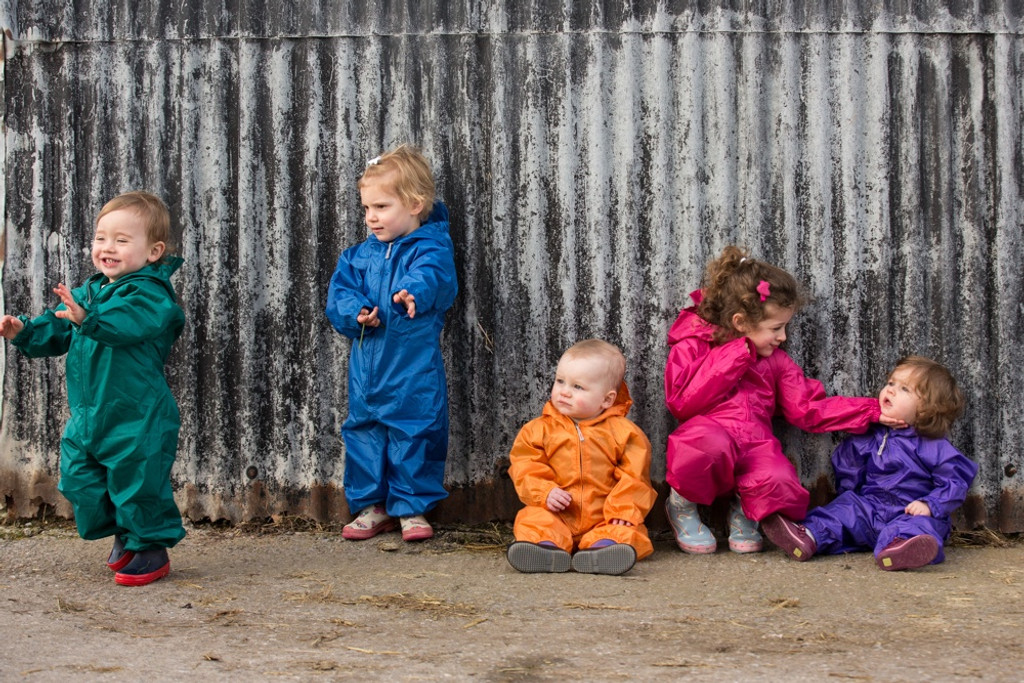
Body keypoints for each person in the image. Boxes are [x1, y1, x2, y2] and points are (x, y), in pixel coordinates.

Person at [663, 245, 902, 555]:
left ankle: (746, 509)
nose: (783, 337)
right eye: (776, 328)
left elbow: (808, 409)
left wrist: (870, 410)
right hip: (709, 442)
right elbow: (681, 402)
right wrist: (736, 355)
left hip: (754, 445)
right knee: (703, 444)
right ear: (740, 322)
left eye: (785, 327)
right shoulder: (692, 347)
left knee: (780, 479)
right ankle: (682, 506)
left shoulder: (776, 362)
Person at [0, 191, 186, 586]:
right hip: (90, 413)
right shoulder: (90, 291)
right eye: (101, 238)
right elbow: (59, 324)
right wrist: (24, 330)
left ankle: (150, 547)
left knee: (138, 483)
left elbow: (123, 326)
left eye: (122, 240)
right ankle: (125, 532)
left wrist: (87, 317)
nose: (108, 247)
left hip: (137, 413)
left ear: (153, 251)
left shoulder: (152, 296)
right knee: (79, 479)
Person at [326, 145, 458, 542]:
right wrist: (356, 313)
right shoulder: (358, 256)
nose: (371, 217)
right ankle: (372, 506)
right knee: (364, 431)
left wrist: (412, 293)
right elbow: (340, 295)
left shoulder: (431, 247)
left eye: (381, 207)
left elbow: (434, 277)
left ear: (416, 204)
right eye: (366, 208)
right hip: (367, 367)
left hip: (413, 366)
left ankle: (412, 507)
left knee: (415, 429)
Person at [761, 356, 977, 570]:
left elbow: (955, 482)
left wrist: (930, 505)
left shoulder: (933, 445)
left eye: (904, 389)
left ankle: (902, 548)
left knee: (920, 527)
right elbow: (848, 465)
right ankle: (808, 536)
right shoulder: (870, 434)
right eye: (891, 383)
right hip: (870, 508)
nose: (890, 390)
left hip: (908, 511)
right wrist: (850, 495)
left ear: (926, 409)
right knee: (843, 512)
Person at [506, 339, 657, 576]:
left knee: (629, 530)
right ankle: (546, 548)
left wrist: (623, 511)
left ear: (607, 399)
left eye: (578, 387)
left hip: (604, 516)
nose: (564, 391)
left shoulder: (624, 433)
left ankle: (604, 549)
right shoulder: (537, 430)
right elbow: (525, 466)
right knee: (532, 519)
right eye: (560, 381)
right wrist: (544, 492)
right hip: (557, 513)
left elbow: (635, 477)